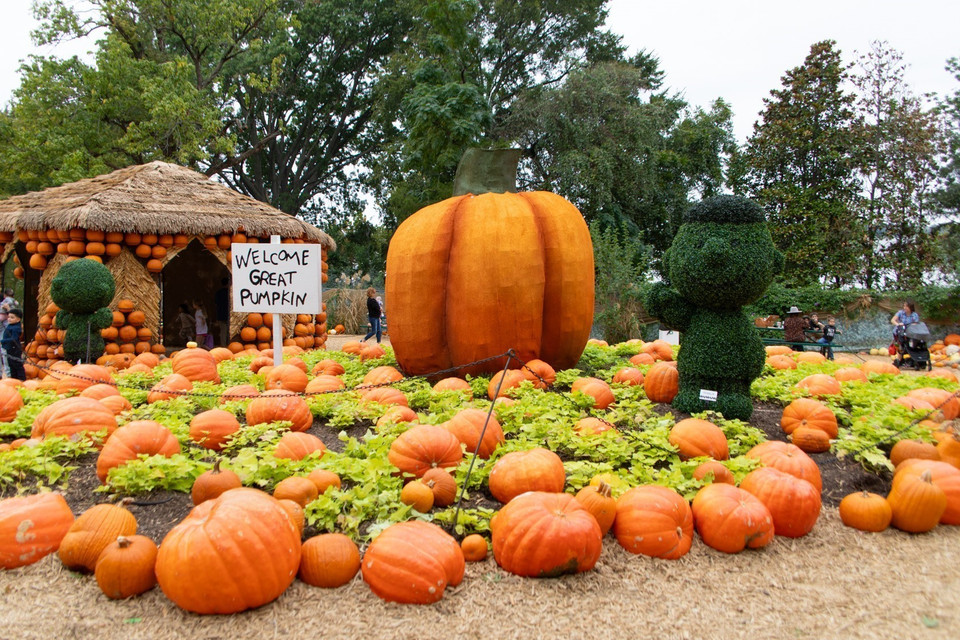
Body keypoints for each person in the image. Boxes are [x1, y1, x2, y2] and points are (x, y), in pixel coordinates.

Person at [1, 308, 25, 381]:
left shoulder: (16, 328)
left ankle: (21, 379)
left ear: (18, 319)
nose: (9, 319)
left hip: (15, 349)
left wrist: (3, 341)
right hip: (9, 349)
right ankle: (14, 379)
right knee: (11, 365)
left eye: (12, 317)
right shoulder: (11, 325)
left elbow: (14, 339)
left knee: (17, 365)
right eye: (8, 317)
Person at [0, 288, 16, 378]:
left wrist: (8, 309)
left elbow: (14, 316)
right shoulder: (14, 303)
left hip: (5, 329)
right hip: (4, 328)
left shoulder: (7, 303)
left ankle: (8, 374)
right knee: (4, 351)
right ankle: (8, 374)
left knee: (4, 351)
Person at [214, 277, 230, 346]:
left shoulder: (218, 293)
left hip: (220, 314)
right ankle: (229, 344)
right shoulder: (230, 292)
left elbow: (216, 303)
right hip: (228, 314)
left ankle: (223, 345)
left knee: (223, 331)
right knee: (229, 331)